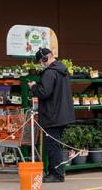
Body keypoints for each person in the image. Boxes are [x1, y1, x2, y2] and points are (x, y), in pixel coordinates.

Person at [27, 48, 75, 183]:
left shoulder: (50, 73)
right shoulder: (62, 70)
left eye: (40, 61)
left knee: (52, 145)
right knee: (55, 144)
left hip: (52, 115)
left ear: (44, 59)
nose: (40, 64)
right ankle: (55, 172)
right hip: (61, 114)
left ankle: (57, 174)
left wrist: (33, 87)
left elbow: (44, 92)